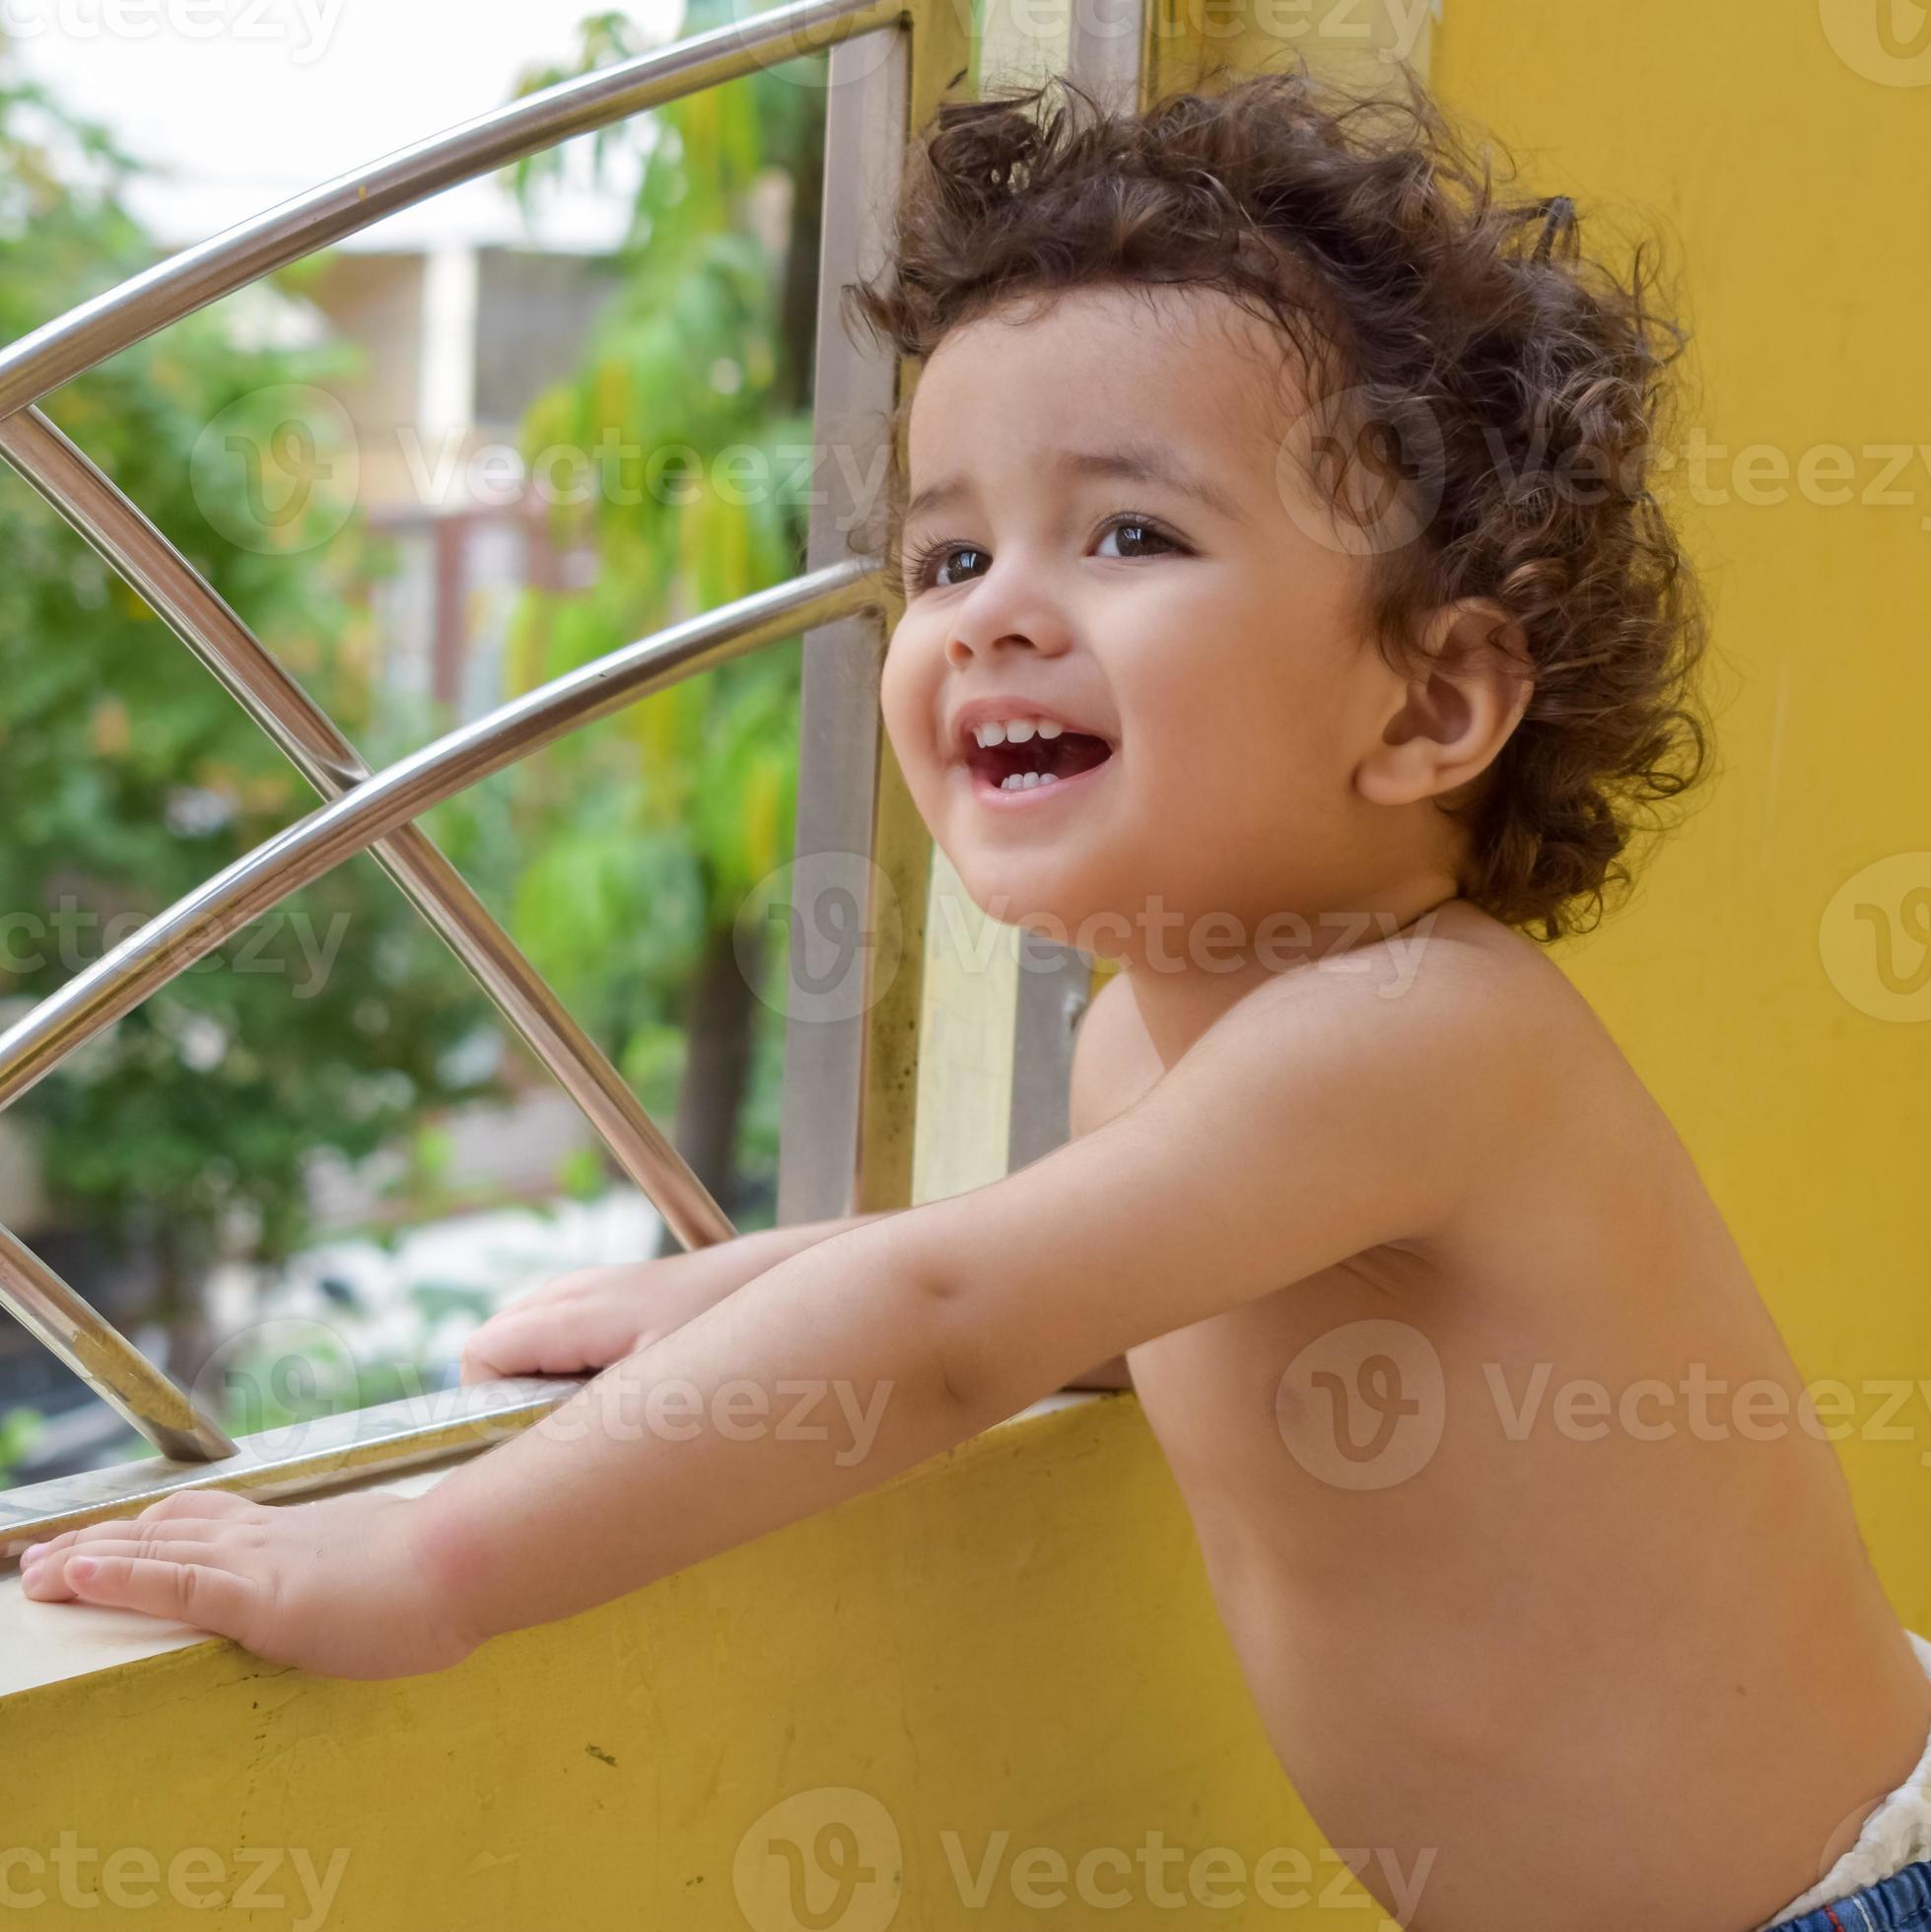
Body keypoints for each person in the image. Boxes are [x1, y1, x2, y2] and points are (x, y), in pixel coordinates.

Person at [19, 58, 1931, 1932]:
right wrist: (729, 1286)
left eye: (1127, 534)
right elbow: (1084, 1300)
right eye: (943, 551)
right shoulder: (1150, 1040)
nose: (989, 610)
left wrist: (418, 1560)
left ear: (1427, 702)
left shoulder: (1418, 1034)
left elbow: (944, 1325)